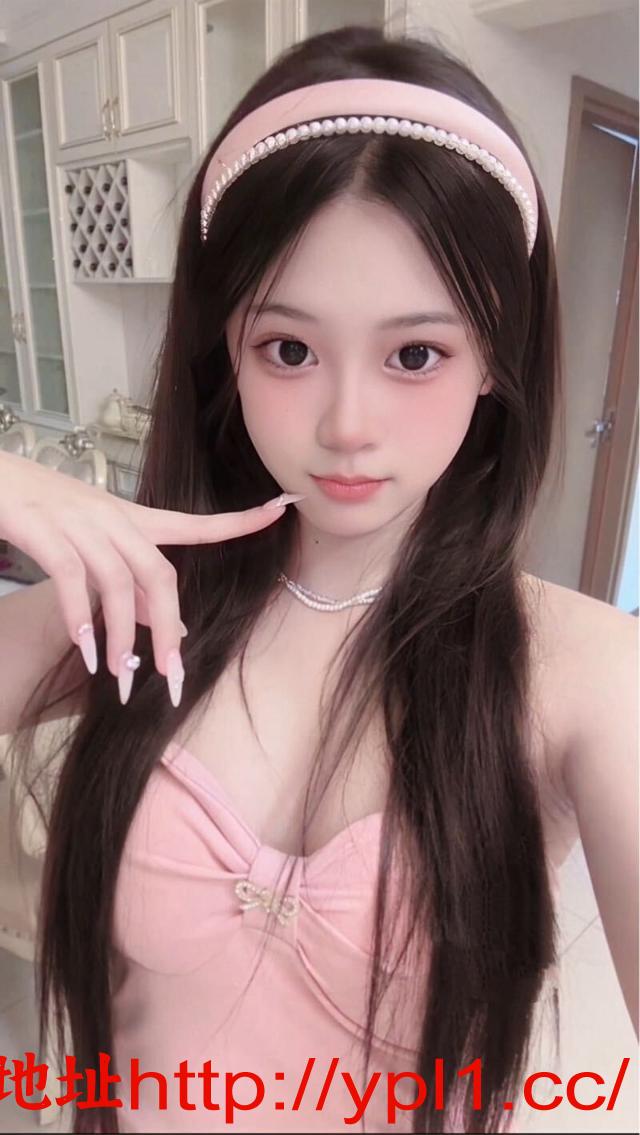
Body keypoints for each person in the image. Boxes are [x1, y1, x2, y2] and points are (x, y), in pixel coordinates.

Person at [0, 22, 637, 1135]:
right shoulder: (135, 602)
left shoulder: (585, 673)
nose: (347, 425)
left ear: (495, 357)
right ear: (226, 350)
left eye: (415, 354)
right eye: (288, 349)